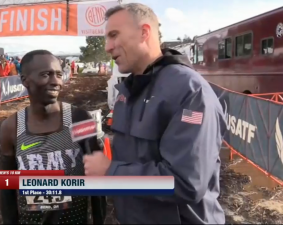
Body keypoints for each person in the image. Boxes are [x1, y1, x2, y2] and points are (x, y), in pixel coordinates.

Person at [83, 3, 226, 224]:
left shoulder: (190, 91)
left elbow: (185, 183)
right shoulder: (128, 91)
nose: (107, 47)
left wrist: (112, 171)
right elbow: (141, 152)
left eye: (113, 35)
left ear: (144, 32)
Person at [0, 50, 106, 224]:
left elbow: (96, 179)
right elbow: (7, 188)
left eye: (58, 74)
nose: (56, 81)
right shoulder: (11, 127)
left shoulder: (79, 119)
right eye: (46, 74)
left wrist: (99, 220)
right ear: (25, 80)